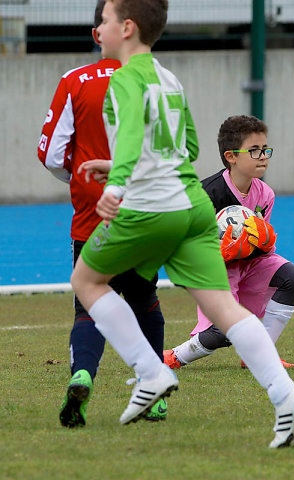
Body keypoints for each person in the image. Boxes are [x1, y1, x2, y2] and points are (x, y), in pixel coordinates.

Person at [71, 0, 294, 448]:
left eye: (103, 19)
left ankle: (151, 373)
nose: (97, 28)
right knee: (225, 308)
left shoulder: (124, 77)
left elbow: (130, 139)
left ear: (126, 28)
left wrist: (117, 184)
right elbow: (186, 144)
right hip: (194, 206)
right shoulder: (169, 78)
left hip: (153, 207)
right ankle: (286, 396)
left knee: (86, 280)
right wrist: (122, 165)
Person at [37, 0, 167, 428]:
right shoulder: (157, 80)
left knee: (88, 304)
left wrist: (81, 181)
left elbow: (52, 153)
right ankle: (154, 393)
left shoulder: (74, 81)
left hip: (94, 211)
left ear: (103, 31)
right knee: (145, 301)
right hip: (145, 207)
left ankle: (82, 375)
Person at [164, 115, 294, 371]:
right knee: (227, 330)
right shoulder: (204, 194)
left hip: (250, 264)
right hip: (214, 271)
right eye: (254, 151)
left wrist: (264, 241)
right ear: (231, 157)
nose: (263, 156)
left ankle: (259, 356)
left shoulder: (265, 194)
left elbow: (265, 252)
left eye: (265, 150)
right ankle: (173, 356)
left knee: (293, 277)